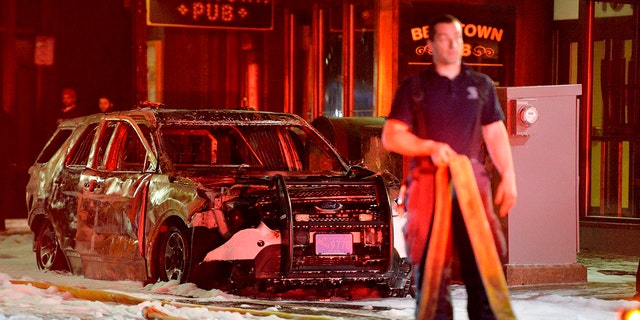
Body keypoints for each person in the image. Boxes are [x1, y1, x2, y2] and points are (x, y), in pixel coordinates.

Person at [381, 14, 517, 319]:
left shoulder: (481, 85)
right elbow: (392, 136)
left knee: (482, 264)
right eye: (444, 38)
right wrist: (428, 147)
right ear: (431, 45)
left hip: (471, 189)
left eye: (457, 37)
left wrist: (509, 176)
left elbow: (494, 132)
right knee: (431, 269)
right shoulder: (414, 87)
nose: (453, 43)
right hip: (428, 187)